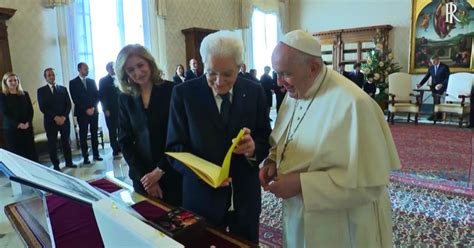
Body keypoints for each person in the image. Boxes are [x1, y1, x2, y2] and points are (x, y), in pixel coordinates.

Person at [259, 30, 400, 247]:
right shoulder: (296, 91)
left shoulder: (354, 104)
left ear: (313, 68)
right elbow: (286, 137)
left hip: (340, 222)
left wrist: (301, 184)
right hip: (299, 211)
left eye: (285, 74)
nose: (279, 82)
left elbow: (369, 185)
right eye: (277, 73)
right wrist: (272, 160)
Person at [166, 30, 271, 243]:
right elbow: (174, 149)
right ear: (203, 64)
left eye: (228, 74)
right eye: (211, 72)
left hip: (245, 196)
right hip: (201, 197)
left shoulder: (254, 91)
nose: (219, 82)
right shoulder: (184, 94)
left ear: (240, 67)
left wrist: (253, 149)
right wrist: (205, 174)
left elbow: (264, 138)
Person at [116, 44, 182, 206]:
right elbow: (125, 141)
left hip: (170, 171)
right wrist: (146, 178)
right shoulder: (125, 98)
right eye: (131, 70)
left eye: (140, 65)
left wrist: (159, 171)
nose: (137, 73)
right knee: (147, 223)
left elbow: (180, 135)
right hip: (141, 175)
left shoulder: (172, 90)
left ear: (149, 63)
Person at [37, 68, 76, 171]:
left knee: (66, 142)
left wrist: (63, 117)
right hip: (50, 121)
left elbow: (68, 104)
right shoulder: (41, 91)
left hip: (64, 120)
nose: (51, 77)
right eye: (49, 75)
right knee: (52, 143)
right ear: (45, 78)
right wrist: (55, 117)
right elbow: (43, 107)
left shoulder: (62, 89)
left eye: (53, 74)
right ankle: (56, 165)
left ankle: (69, 162)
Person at [0, 72, 38, 162]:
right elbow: (5, 113)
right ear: (5, 82)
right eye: (10, 81)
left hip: (27, 128)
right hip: (12, 130)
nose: (13, 82)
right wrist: (18, 124)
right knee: (18, 156)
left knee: (31, 154)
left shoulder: (24, 94)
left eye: (15, 80)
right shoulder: (2, 96)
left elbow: (30, 110)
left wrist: (28, 122)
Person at [69, 62, 103, 164]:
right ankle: (85, 157)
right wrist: (86, 109)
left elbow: (97, 96)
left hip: (94, 111)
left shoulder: (92, 81)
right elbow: (75, 99)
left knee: (94, 133)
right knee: (83, 135)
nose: (87, 70)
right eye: (85, 69)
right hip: (81, 113)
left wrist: (92, 107)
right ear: (79, 69)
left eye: (87, 69)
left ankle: (96, 154)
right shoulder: (73, 83)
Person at [416, 55, 450, 120]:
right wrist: (420, 84)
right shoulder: (431, 67)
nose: (432, 63)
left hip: (442, 86)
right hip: (433, 86)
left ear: (438, 60)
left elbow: (447, 78)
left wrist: (442, 84)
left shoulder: (444, 67)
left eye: (434, 61)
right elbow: (426, 77)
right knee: (435, 100)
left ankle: (435, 115)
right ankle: (437, 115)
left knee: (437, 99)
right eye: (432, 62)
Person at [99, 61, 121, 158]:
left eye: (114, 67)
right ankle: (115, 149)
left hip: (121, 109)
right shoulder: (103, 80)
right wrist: (105, 109)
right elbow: (102, 96)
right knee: (112, 131)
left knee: (122, 130)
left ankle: (121, 147)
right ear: (108, 69)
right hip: (110, 110)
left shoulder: (120, 78)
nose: (113, 69)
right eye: (111, 68)